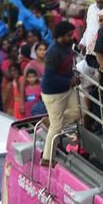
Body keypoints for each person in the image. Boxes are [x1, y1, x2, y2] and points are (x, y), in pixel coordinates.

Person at [41, 22, 80, 165]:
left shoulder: (67, 46)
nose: (72, 37)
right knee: (56, 128)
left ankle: (51, 121)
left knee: (79, 112)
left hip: (66, 90)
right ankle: (47, 158)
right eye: (69, 35)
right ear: (61, 36)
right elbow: (49, 77)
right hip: (53, 94)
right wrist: (70, 81)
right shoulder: (53, 52)